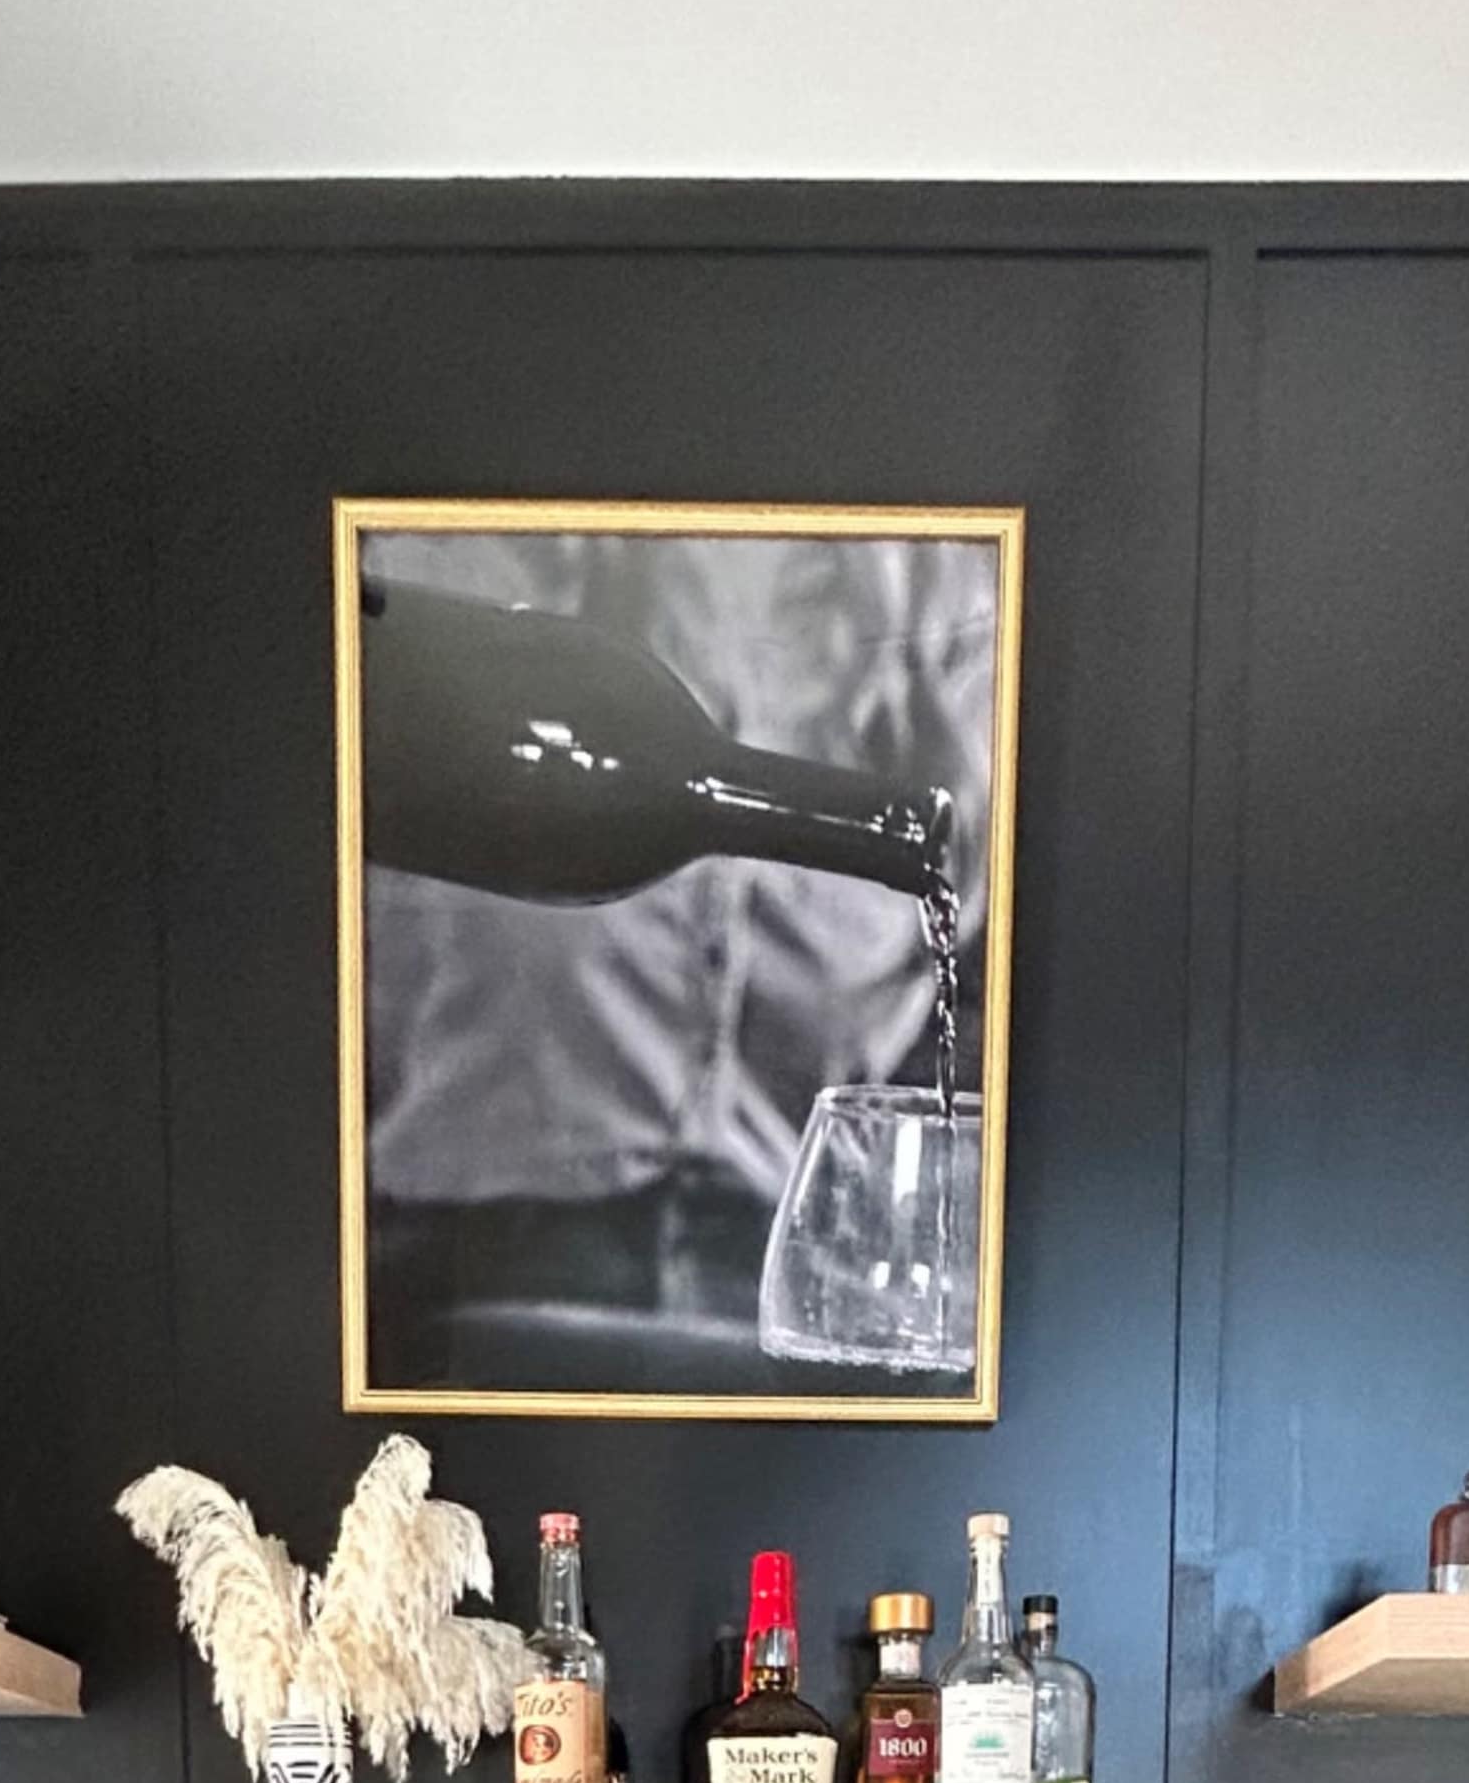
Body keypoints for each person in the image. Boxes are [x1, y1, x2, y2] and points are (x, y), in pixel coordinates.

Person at [360, 525, 995, 1393]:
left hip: (793, 1287)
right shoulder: (461, 541)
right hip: (469, 1271)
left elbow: (944, 920)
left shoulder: (937, 595)